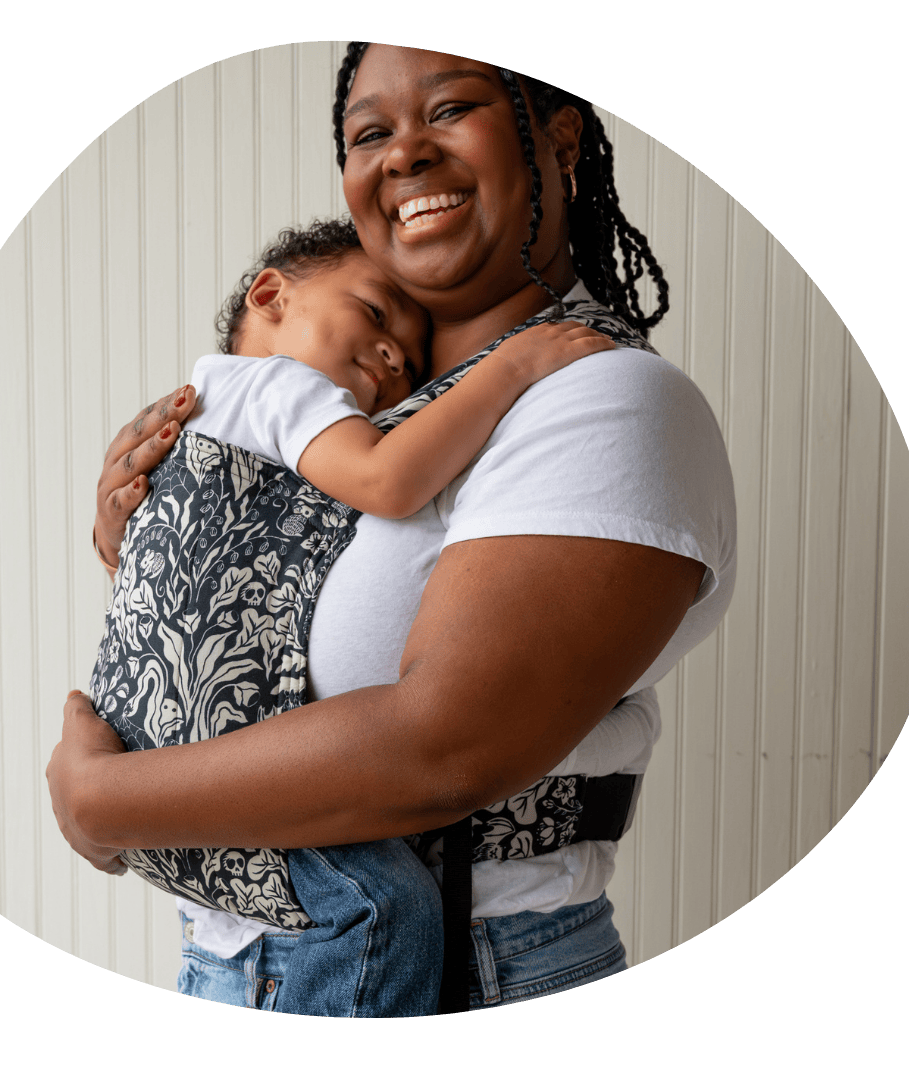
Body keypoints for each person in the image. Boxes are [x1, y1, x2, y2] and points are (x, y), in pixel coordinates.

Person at [48, 43, 737, 1013]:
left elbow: (443, 749)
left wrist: (102, 798)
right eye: (370, 132)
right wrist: (148, 532)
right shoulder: (351, 405)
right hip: (230, 956)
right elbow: (266, 622)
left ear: (559, 139)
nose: (405, 152)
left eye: (450, 109)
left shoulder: (603, 399)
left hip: (460, 970)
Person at [89, 217, 614, 1017]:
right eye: (373, 313)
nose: (394, 357)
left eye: (411, 358)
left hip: (167, 802)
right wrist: (514, 365)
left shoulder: (213, 421)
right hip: (225, 791)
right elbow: (387, 479)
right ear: (271, 295)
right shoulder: (278, 387)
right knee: (385, 903)